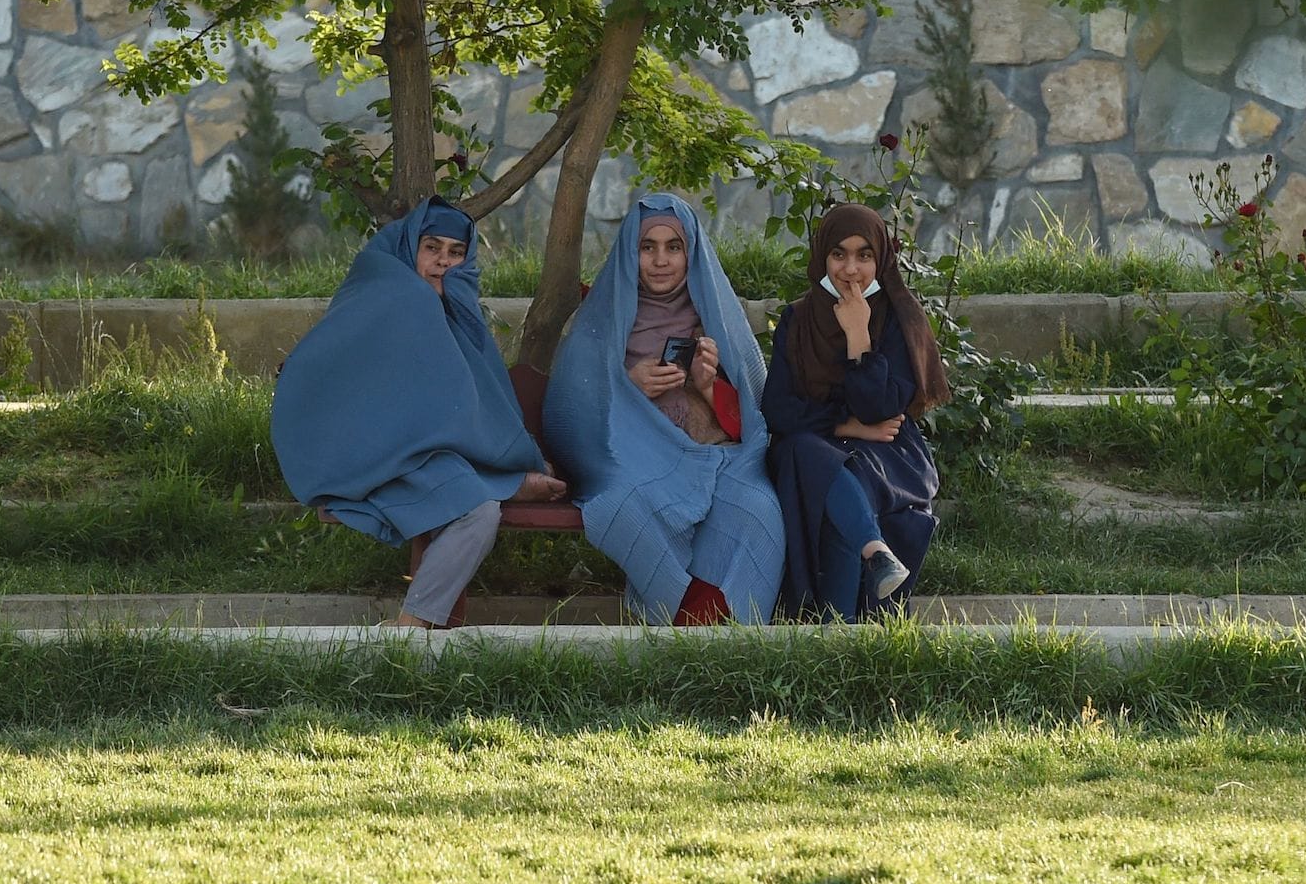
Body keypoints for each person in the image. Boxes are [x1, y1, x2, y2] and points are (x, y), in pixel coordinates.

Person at [271, 196, 564, 627]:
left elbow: (463, 401)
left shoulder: (455, 310)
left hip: (425, 453)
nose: (443, 262)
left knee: (479, 512)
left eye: (456, 252)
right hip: (372, 456)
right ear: (411, 247)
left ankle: (411, 624)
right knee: (478, 505)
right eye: (432, 248)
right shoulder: (387, 287)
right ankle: (504, 483)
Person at [542, 194, 784, 625]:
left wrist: (708, 387)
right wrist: (627, 386)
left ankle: (736, 631)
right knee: (621, 506)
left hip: (717, 458)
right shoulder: (602, 318)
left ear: (691, 252)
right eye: (646, 247)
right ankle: (684, 622)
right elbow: (569, 414)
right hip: (634, 463)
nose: (660, 260)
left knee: (758, 507)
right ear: (630, 252)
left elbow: (754, 414)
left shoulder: (716, 313)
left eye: (673, 247)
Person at [762, 204, 951, 621]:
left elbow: (881, 408)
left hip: (886, 451)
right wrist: (844, 425)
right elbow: (776, 408)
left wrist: (858, 337)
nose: (851, 269)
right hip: (816, 442)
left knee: (838, 477)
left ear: (880, 258)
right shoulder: (798, 318)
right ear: (821, 258)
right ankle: (874, 554)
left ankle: (838, 627)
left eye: (864, 255)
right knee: (808, 454)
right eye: (839, 254)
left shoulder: (899, 318)